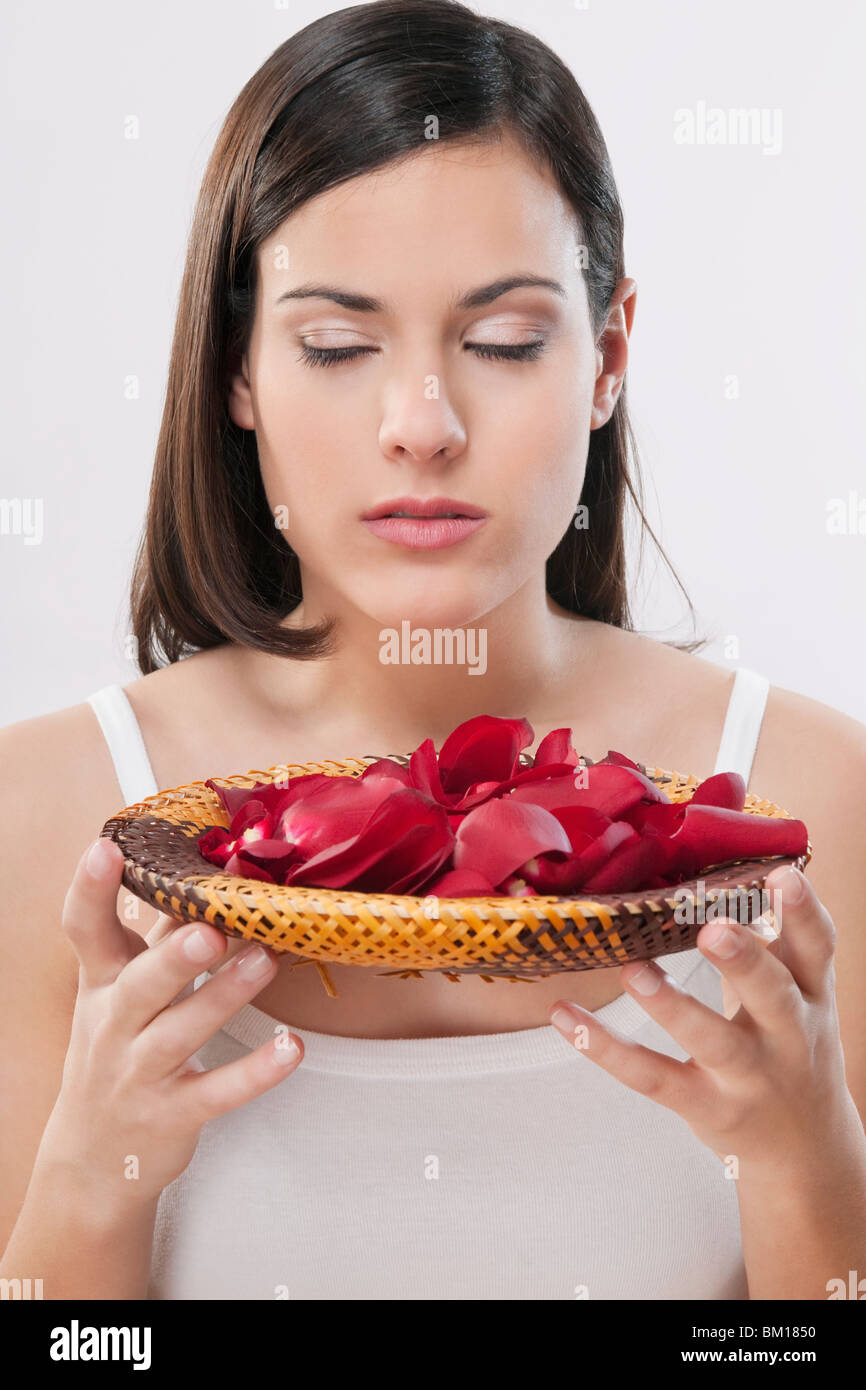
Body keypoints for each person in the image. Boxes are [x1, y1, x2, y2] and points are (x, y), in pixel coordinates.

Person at [2, 0, 865, 1301]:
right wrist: (86, 1182)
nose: (421, 423)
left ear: (607, 354)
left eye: (504, 341)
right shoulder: (44, 814)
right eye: (336, 345)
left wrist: (805, 1171)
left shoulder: (818, 800)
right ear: (238, 366)